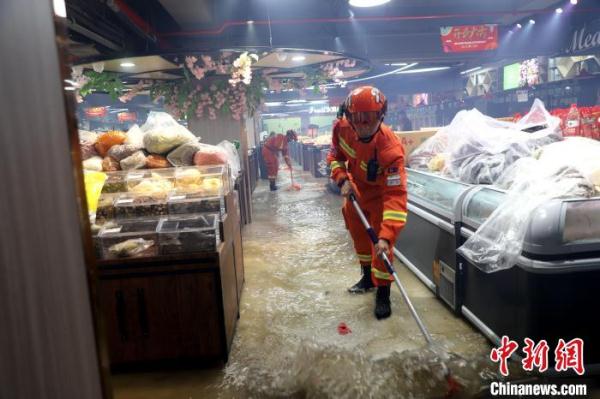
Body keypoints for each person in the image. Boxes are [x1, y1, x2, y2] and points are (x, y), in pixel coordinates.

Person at [327, 86, 408, 320]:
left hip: (381, 197)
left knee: (380, 248)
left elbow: (395, 195)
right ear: (349, 116)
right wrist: (342, 179)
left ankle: (383, 292)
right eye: (357, 117)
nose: (362, 124)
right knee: (359, 236)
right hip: (354, 191)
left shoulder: (390, 149)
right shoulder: (341, 129)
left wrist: (386, 236)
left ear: (381, 115)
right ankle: (366, 277)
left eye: (369, 117)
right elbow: (334, 157)